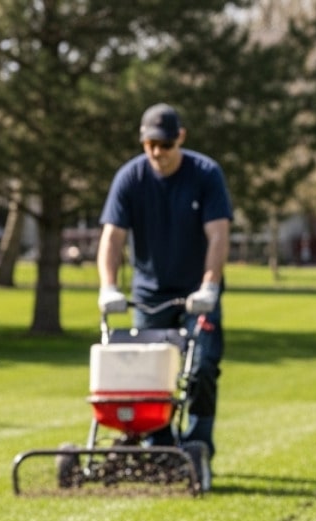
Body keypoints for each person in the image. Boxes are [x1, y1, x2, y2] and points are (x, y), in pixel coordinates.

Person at [98, 103, 233, 489]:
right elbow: (112, 238)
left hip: (197, 292)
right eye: (150, 145)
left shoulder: (205, 174)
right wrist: (109, 286)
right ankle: (160, 448)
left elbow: (218, 233)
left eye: (165, 145)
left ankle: (198, 444)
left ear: (181, 139)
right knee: (147, 374)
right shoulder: (131, 177)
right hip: (149, 292)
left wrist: (210, 284)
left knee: (202, 365)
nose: (157, 153)